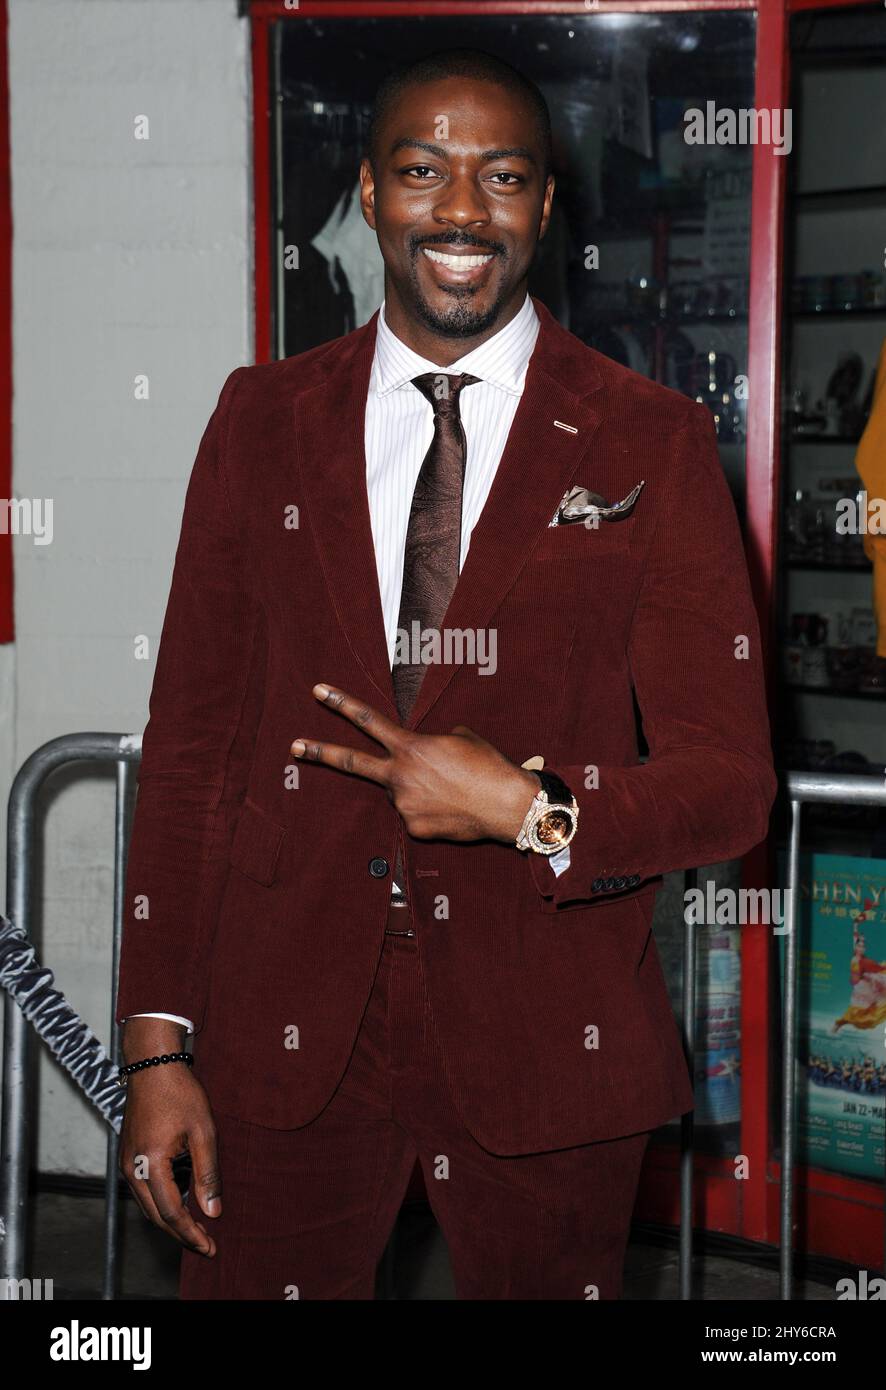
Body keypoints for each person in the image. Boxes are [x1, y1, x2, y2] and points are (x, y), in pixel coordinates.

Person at [115, 47, 777, 1300]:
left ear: (541, 208)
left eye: (502, 178)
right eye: (424, 171)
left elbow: (733, 783)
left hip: (548, 1026)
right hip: (287, 1028)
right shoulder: (260, 420)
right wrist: (156, 1047)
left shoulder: (650, 439)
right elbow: (192, 750)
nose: (462, 211)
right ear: (370, 195)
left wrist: (534, 809)